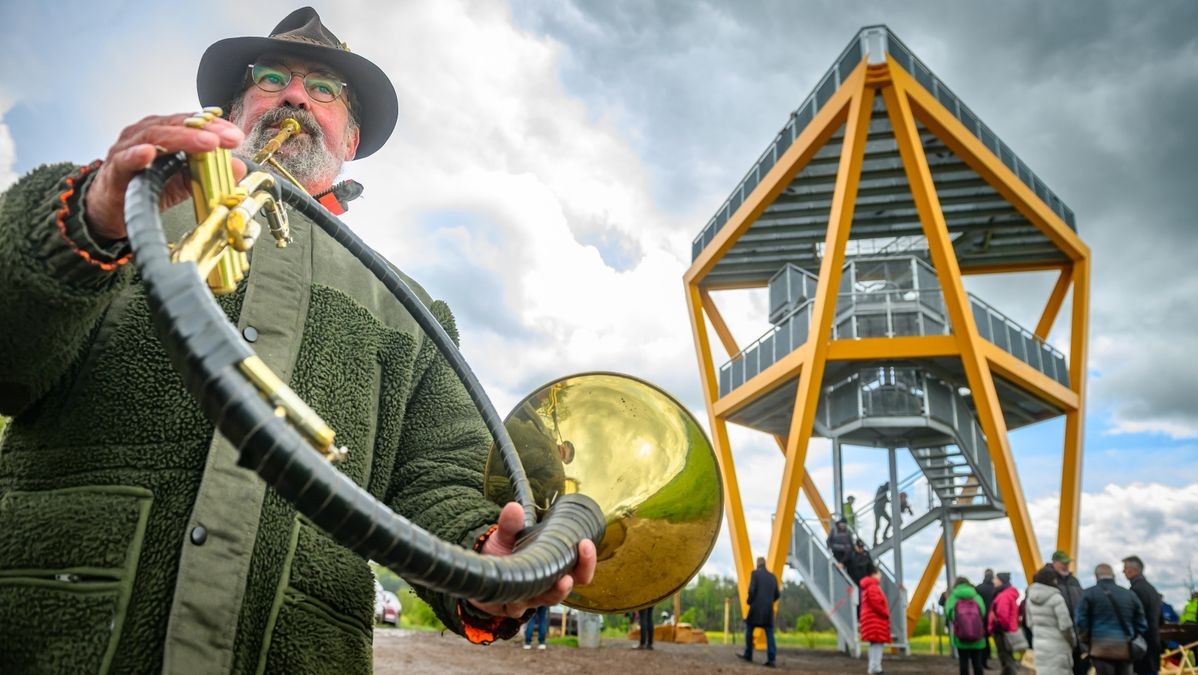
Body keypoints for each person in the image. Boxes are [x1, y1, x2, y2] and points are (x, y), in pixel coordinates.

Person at [0, 8, 597, 673]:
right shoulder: (115, 207)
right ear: (232, 109)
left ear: (352, 139)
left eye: (323, 90)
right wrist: (85, 220)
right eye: (271, 77)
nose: (293, 96)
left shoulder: (412, 309)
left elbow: (439, 477)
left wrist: (486, 551)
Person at [1075, 563, 1149, 675]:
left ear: (1096, 576)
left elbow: (1081, 621)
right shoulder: (1129, 594)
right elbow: (1142, 624)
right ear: (1113, 576)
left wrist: (1087, 641)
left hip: (1100, 648)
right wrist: (1131, 636)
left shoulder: (1088, 594)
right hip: (1125, 649)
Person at [1044, 550, 1089, 675]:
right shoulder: (1047, 580)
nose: (1066, 565)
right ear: (1054, 562)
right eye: (1062, 563)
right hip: (1057, 637)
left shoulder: (1074, 581)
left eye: (1067, 563)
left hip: (1076, 636)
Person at [1027, 565, 1078, 675]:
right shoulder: (1056, 598)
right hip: (1058, 646)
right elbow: (1066, 626)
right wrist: (1072, 641)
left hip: (1039, 645)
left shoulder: (1029, 599)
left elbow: (1029, 623)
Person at [1122, 556, 1162, 675]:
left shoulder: (1136, 590)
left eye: (1125, 568)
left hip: (1141, 646)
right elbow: (1161, 620)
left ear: (1133, 570)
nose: (1123, 571)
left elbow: (1133, 619)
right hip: (1153, 643)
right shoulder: (1152, 590)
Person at [739, 557, 779, 667]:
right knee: (770, 634)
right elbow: (777, 595)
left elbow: (751, 590)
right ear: (765, 564)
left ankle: (748, 654)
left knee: (749, 629)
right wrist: (769, 602)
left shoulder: (755, 574)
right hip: (768, 611)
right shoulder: (772, 577)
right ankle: (772, 659)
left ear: (758, 564)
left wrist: (749, 601)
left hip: (756, 609)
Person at [946, 576, 988, 675]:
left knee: (963, 663)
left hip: (961, 635)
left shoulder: (953, 596)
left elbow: (949, 613)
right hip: (977, 635)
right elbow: (983, 611)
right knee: (977, 663)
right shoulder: (976, 596)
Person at [860, 567, 892, 675]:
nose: (880, 576)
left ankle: (873, 668)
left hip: (871, 620)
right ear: (873, 574)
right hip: (875, 621)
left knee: (875, 645)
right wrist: (886, 613)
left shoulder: (868, 587)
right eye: (879, 574)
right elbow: (877, 603)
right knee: (877, 645)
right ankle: (875, 668)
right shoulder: (873, 587)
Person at [989, 572, 1022, 675]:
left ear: (1001, 581)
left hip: (1002, 631)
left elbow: (1002, 615)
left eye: (995, 579)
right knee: (1008, 656)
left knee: (1005, 658)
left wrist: (997, 625)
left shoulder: (1003, 595)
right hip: (1008, 630)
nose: (993, 581)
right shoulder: (1008, 594)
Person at [976, 568, 997, 668]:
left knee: (984, 639)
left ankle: (984, 661)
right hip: (995, 618)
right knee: (999, 639)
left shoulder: (979, 588)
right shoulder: (996, 588)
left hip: (982, 617)